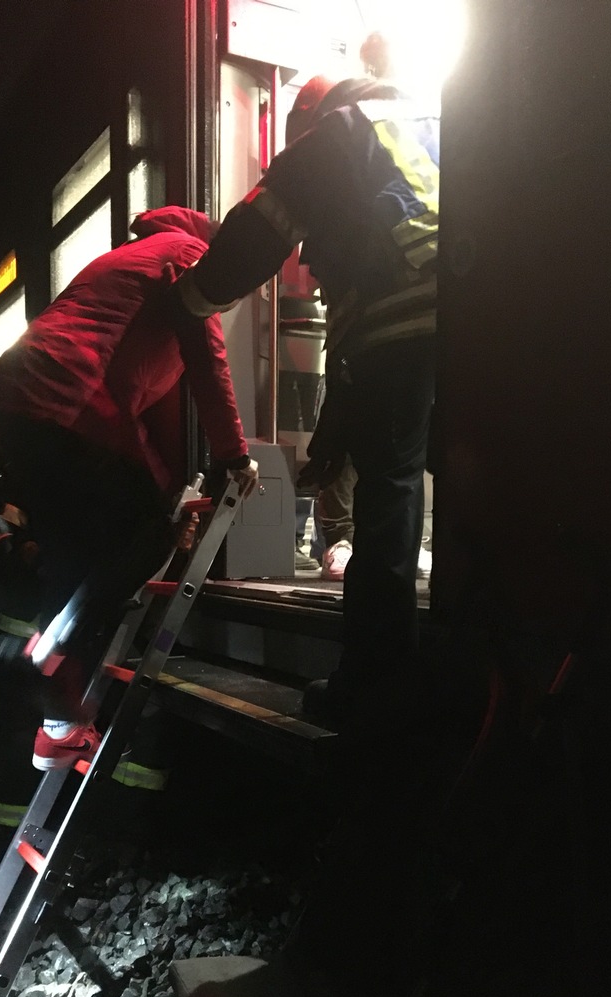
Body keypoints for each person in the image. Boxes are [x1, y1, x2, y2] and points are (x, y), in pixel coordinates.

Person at [0, 208, 257, 774]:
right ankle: (54, 669)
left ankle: (55, 718)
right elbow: (207, 355)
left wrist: (165, 483)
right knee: (146, 533)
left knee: (75, 552)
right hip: (64, 404)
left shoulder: (134, 262)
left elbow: (144, 416)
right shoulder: (187, 255)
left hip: (22, 403)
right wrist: (232, 455)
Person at [172, 75, 439, 722]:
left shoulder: (340, 131)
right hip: (479, 315)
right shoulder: (437, 122)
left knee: (389, 493)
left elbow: (259, 230)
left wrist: (192, 299)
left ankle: (375, 684)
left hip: (401, 319)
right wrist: (331, 434)